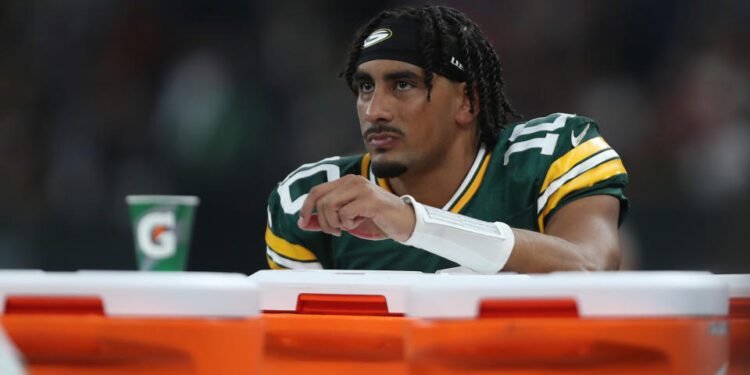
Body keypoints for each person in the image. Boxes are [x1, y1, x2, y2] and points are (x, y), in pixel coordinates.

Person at [265, 5, 628, 274]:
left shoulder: (553, 152)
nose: (374, 110)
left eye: (403, 85)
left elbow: (590, 266)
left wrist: (414, 222)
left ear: (467, 101)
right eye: (365, 87)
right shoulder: (308, 201)